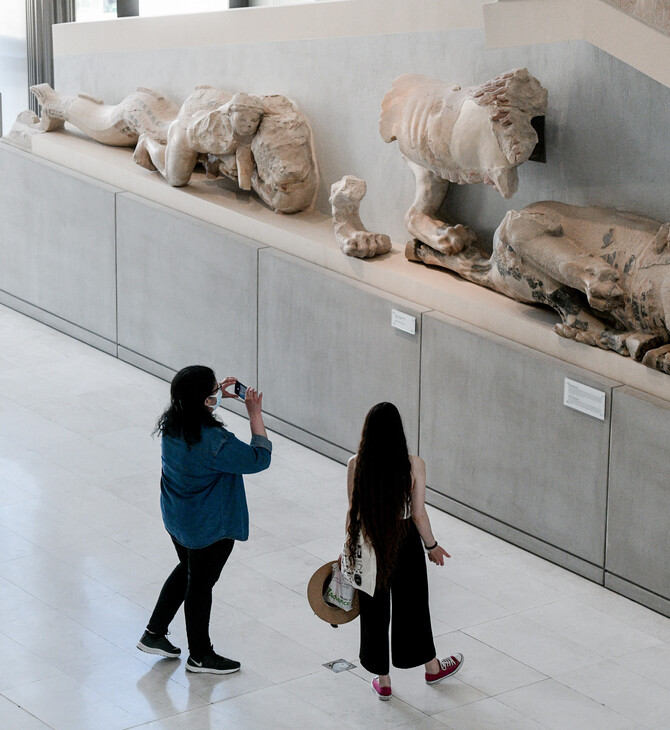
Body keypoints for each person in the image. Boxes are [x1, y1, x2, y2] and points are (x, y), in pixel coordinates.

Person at [137, 365, 272, 674]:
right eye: (214, 390)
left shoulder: (174, 424)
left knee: (187, 569)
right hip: (208, 527)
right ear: (204, 400)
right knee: (200, 585)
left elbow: (193, 403)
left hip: (177, 518)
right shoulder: (214, 442)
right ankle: (200, 655)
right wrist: (254, 413)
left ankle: (154, 633)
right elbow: (258, 459)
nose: (218, 392)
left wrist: (214, 397)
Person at [344, 402, 463, 700]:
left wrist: (348, 548)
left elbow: (353, 512)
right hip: (405, 538)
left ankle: (382, 680)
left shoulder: (356, 463)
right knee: (413, 606)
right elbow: (419, 514)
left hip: (370, 539)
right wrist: (432, 546)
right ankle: (432, 667)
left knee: (373, 609)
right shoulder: (413, 464)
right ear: (399, 431)